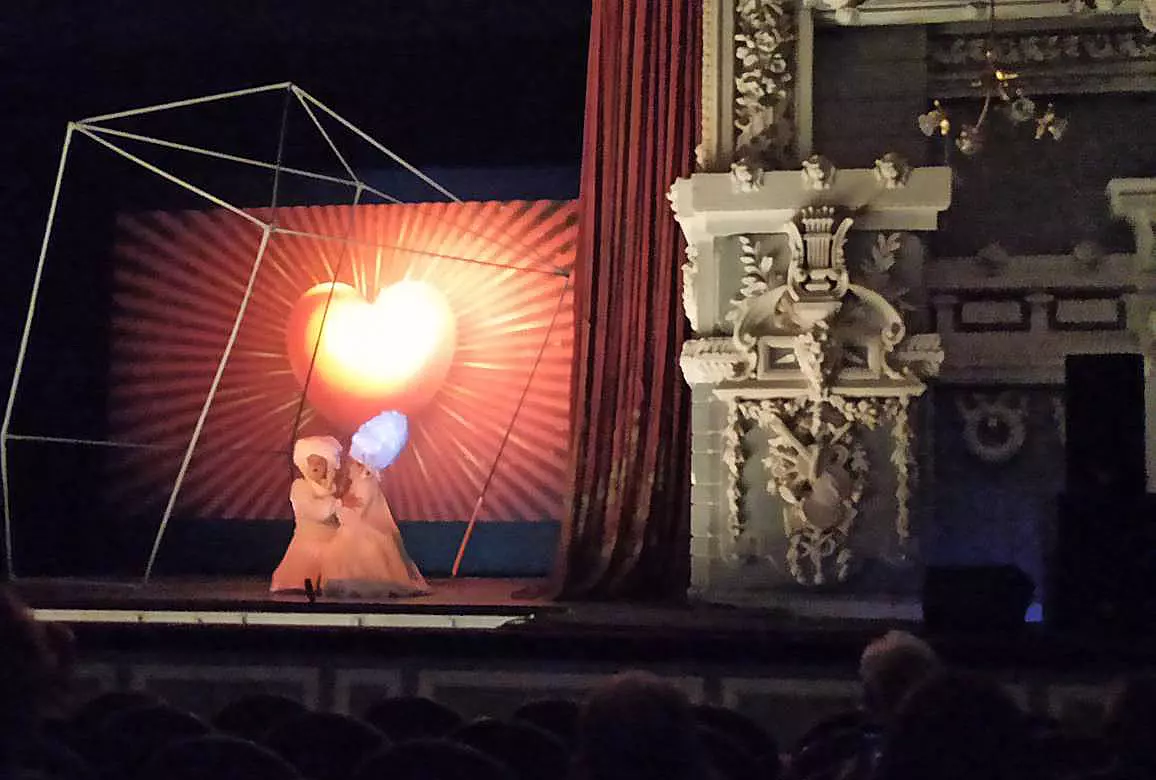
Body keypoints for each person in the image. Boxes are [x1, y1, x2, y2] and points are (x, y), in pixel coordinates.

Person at [320, 412, 429, 598]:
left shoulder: (366, 483)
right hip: (355, 528)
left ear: (361, 462)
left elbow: (357, 511)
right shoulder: (358, 481)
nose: (349, 464)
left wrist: (339, 506)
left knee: (347, 549)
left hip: (361, 531)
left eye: (353, 461)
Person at [270, 436, 342, 593]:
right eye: (311, 462)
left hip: (333, 545)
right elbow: (315, 511)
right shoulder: (300, 487)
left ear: (328, 466)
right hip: (307, 543)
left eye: (320, 463)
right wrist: (336, 504)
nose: (315, 466)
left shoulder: (334, 489)